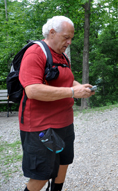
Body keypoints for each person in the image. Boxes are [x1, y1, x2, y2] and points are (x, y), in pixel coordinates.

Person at [19, 16, 95, 191]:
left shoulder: (61, 56)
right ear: (52, 33)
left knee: (63, 162)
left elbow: (67, 80)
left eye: (71, 38)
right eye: (66, 37)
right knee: (42, 175)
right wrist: (72, 92)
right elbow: (32, 90)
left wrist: (80, 87)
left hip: (64, 124)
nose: (69, 42)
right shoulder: (35, 53)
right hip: (41, 127)